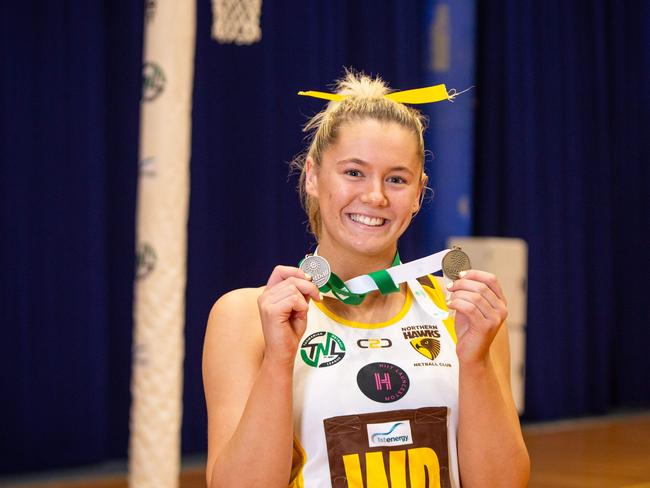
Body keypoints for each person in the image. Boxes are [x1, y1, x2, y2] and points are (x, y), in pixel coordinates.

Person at [203, 71, 530, 487]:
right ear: (313, 176)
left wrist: (476, 362)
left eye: (396, 179)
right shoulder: (247, 317)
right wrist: (278, 363)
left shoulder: (461, 314)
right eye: (354, 172)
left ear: (417, 193)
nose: (375, 196)